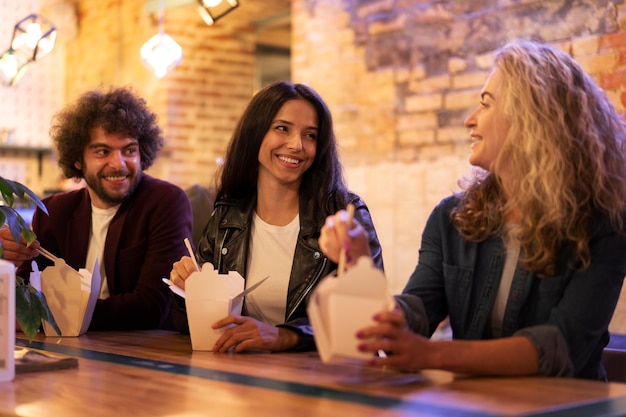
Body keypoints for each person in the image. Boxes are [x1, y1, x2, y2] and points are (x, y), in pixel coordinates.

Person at [319, 40, 626, 380]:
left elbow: (560, 346)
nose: (470, 120)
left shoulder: (604, 224)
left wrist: (431, 353)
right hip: (472, 406)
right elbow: (418, 311)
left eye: (486, 104)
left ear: (531, 118)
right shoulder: (451, 218)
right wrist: (360, 267)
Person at [169, 81, 384, 352]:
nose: (296, 145)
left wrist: (287, 336)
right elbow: (192, 325)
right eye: (282, 128)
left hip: (320, 379)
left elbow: (367, 315)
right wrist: (187, 289)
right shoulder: (227, 214)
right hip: (239, 375)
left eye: (310, 135)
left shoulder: (344, 213)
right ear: (255, 134)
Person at [0, 87, 193, 330]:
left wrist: (59, 314)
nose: (118, 164)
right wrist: (7, 261)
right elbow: (26, 295)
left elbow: (151, 306)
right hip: (69, 347)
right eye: (103, 151)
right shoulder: (54, 212)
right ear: (78, 160)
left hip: (144, 352)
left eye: (129, 150)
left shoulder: (166, 202)